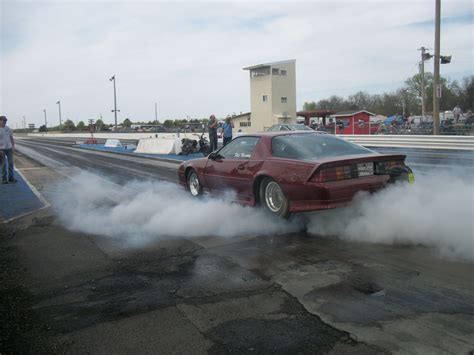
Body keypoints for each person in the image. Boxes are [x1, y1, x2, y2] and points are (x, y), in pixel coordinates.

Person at [0, 115, 17, 184]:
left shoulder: (8, 128)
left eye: (5, 121)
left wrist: (13, 146)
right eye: (3, 120)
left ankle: (11, 178)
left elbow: (11, 138)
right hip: (1, 149)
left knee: (11, 163)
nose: (4, 122)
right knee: (3, 164)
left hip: (9, 148)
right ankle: (4, 179)